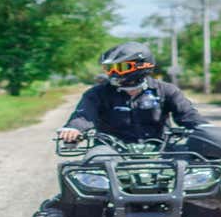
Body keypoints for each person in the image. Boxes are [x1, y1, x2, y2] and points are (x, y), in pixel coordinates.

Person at [58, 42, 207, 151]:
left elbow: (188, 115)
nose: (113, 73)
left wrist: (207, 129)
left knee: (195, 164)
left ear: (143, 66)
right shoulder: (97, 93)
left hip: (161, 149)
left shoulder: (166, 90)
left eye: (121, 67)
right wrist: (74, 129)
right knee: (91, 167)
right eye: (109, 69)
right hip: (110, 150)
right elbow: (83, 116)